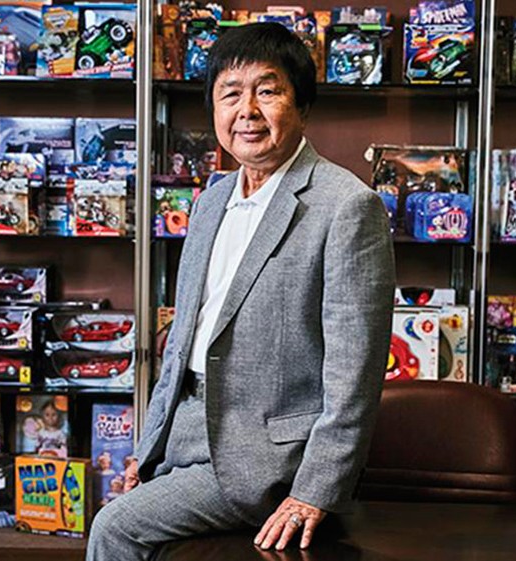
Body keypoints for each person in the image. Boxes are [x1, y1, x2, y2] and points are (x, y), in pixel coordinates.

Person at [87, 22, 394, 560]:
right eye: (230, 94)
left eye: (267, 91)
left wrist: (314, 490)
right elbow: (182, 345)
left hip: (267, 459)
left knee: (115, 528)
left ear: (302, 105)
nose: (246, 111)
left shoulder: (346, 206)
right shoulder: (211, 201)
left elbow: (356, 373)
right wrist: (148, 448)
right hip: (187, 430)